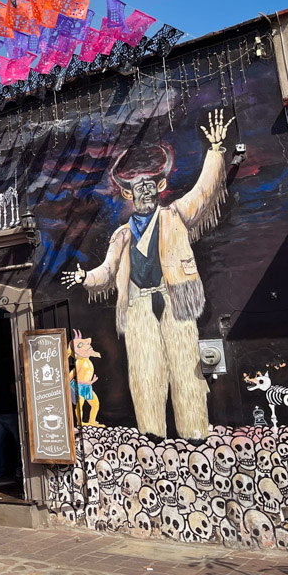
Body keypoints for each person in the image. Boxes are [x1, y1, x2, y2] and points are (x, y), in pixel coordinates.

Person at [62, 108, 233, 441]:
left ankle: (194, 434)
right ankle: (152, 435)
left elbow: (203, 192)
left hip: (176, 299)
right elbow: (107, 271)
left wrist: (215, 152)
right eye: (138, 188)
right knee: (144, 371)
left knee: (187, 368)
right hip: (137, 306)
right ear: (127, 194)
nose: (145, 192)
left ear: (161, 186)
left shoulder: (175, 215)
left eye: (150, 186)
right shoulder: (121, 235)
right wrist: (85, 278)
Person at [67, 329, 102, 427]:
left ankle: (92, 421)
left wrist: (89, 384)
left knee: (95, 404)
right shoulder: (79, 362)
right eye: (80, 345)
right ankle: (80, 422)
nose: (88, 344)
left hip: (87, 387)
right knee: (79, 405)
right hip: (79, 387)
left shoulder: (88, 361)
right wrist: (89, 383)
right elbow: (71, 376)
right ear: (75, 353)